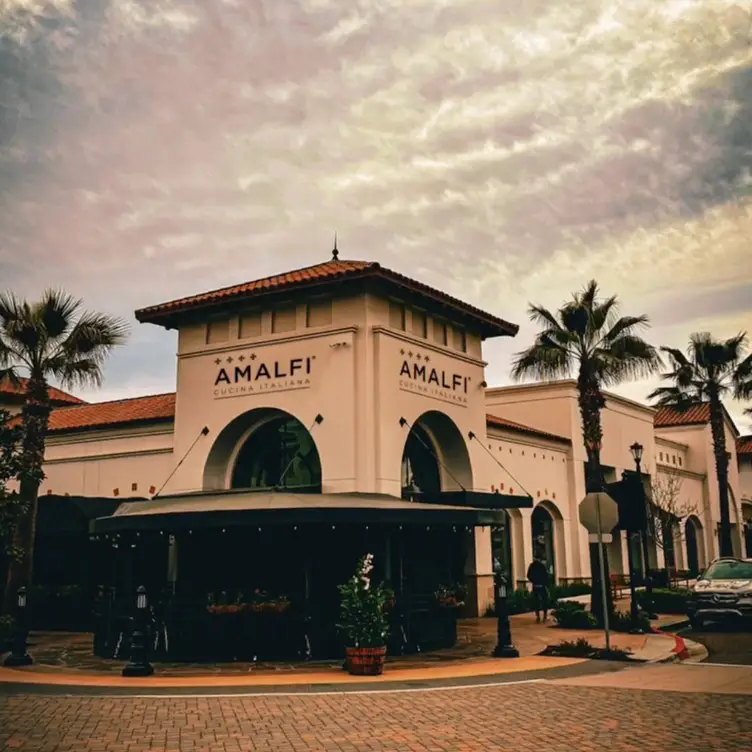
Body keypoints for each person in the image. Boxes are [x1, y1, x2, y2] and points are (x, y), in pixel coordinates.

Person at [527, 554, 550, 623]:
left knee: (536, 602)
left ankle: (538, 617)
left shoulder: (532, 566)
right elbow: (546, 575)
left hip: (535, 586)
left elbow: (528, 575)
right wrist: (544, 583)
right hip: (542, 586)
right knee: (544, 601)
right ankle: (545, 616)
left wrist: (533, 581)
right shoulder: (542, 566)